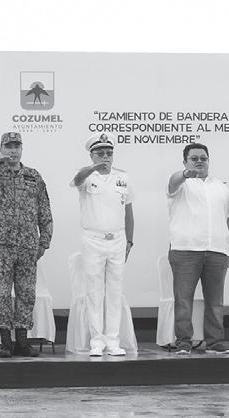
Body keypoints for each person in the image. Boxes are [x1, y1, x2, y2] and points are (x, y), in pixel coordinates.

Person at [0, 132, 53, 358]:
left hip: (28, 245)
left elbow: (44, 210)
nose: (13, 150)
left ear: (22, 149)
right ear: (1, 148)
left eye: (16, 146)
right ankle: (5, 342)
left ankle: (22, 341)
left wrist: (44, 241)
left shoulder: (33, 176)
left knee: (26, 293)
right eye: (8, 146)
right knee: (1, 293)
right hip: (2, 244)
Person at [167, 143, 229, 355]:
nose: (199, 161)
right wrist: (184, 175)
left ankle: (214, 342)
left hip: (217, 251)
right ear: (185, 162)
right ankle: (183, 342)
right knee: (183, 300)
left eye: (203, 158)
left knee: (215, 302)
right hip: (185, 250)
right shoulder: (181, 184)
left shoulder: (220, 187)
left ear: (209, 160)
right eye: (194, 158)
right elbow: (172, 182)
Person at [71, 133, 135, 357]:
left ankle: (113, 341)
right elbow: (77, 180)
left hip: (117, 239)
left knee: (115, 291)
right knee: (94, 291)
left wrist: (129, 240)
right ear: (91, 155)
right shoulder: (87, 176)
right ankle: (96, 341)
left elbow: (128, 210)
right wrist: (93, 168)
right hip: (93, 239)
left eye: (109, 153)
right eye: (100, 153)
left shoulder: (123, 177)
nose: (105, 156)